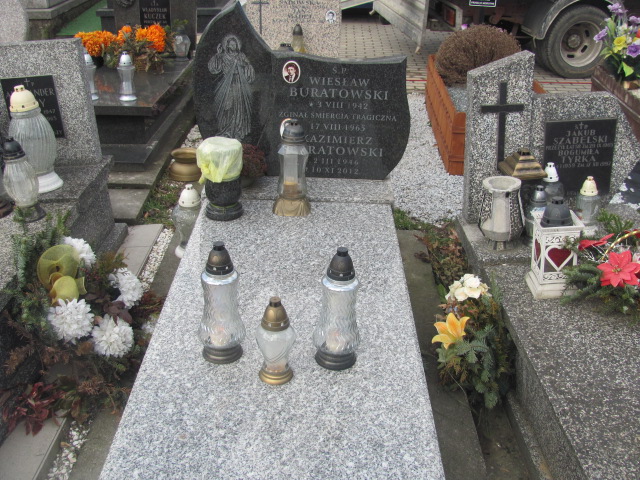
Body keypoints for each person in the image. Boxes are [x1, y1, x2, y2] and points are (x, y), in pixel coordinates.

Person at [208, 34, 255, 140]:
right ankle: (226, 130)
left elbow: (249, 68)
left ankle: (237, 131)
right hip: (227, 84)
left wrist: (245, 65)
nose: (233, 46)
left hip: (239, 84)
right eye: (231, 44)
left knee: (239, 108)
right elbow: (214, 68)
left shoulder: (241, 55)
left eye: (235, 44)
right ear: (227, 45)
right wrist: (218, 54)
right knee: (227, 107)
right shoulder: (223, 56)